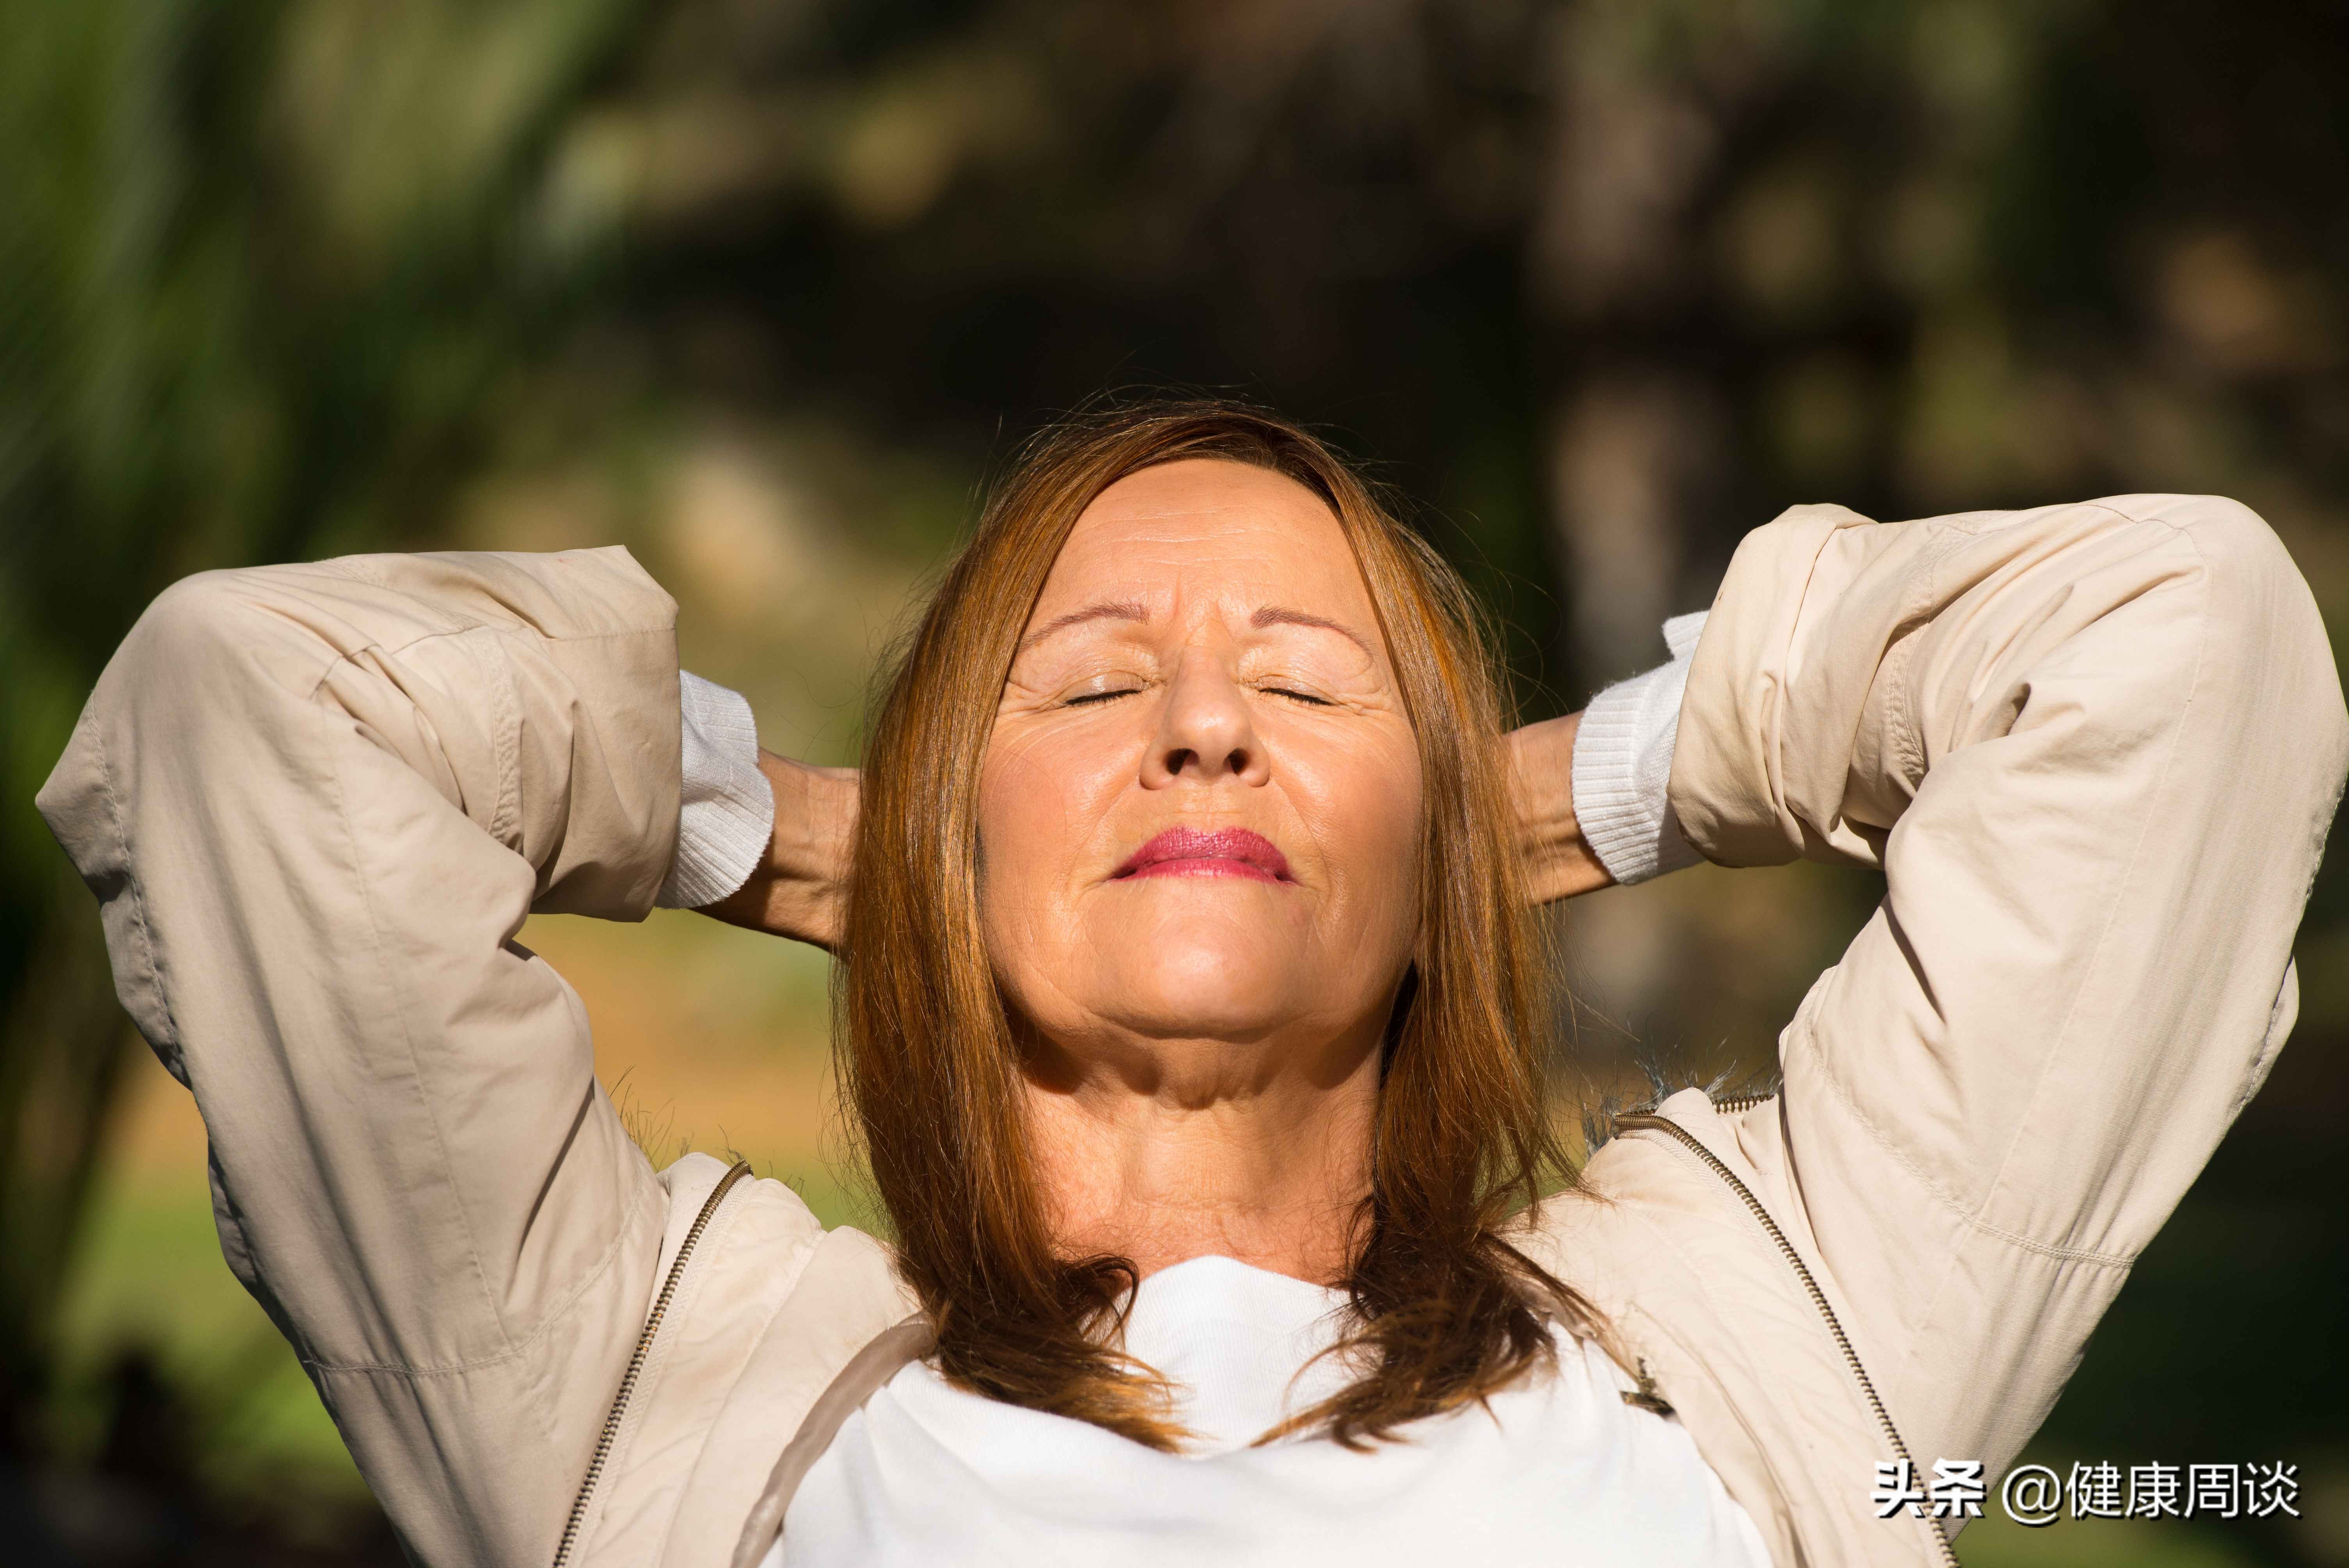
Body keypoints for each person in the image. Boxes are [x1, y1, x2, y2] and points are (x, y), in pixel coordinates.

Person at [37, 401, 2345, 1568]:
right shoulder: (639, 1406)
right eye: (1086, 689)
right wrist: (825, 840)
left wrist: (1529, 814)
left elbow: (2183, 638)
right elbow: (258, 707)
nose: (1210, 725)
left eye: (1314, 688)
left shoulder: (1787, 1344)